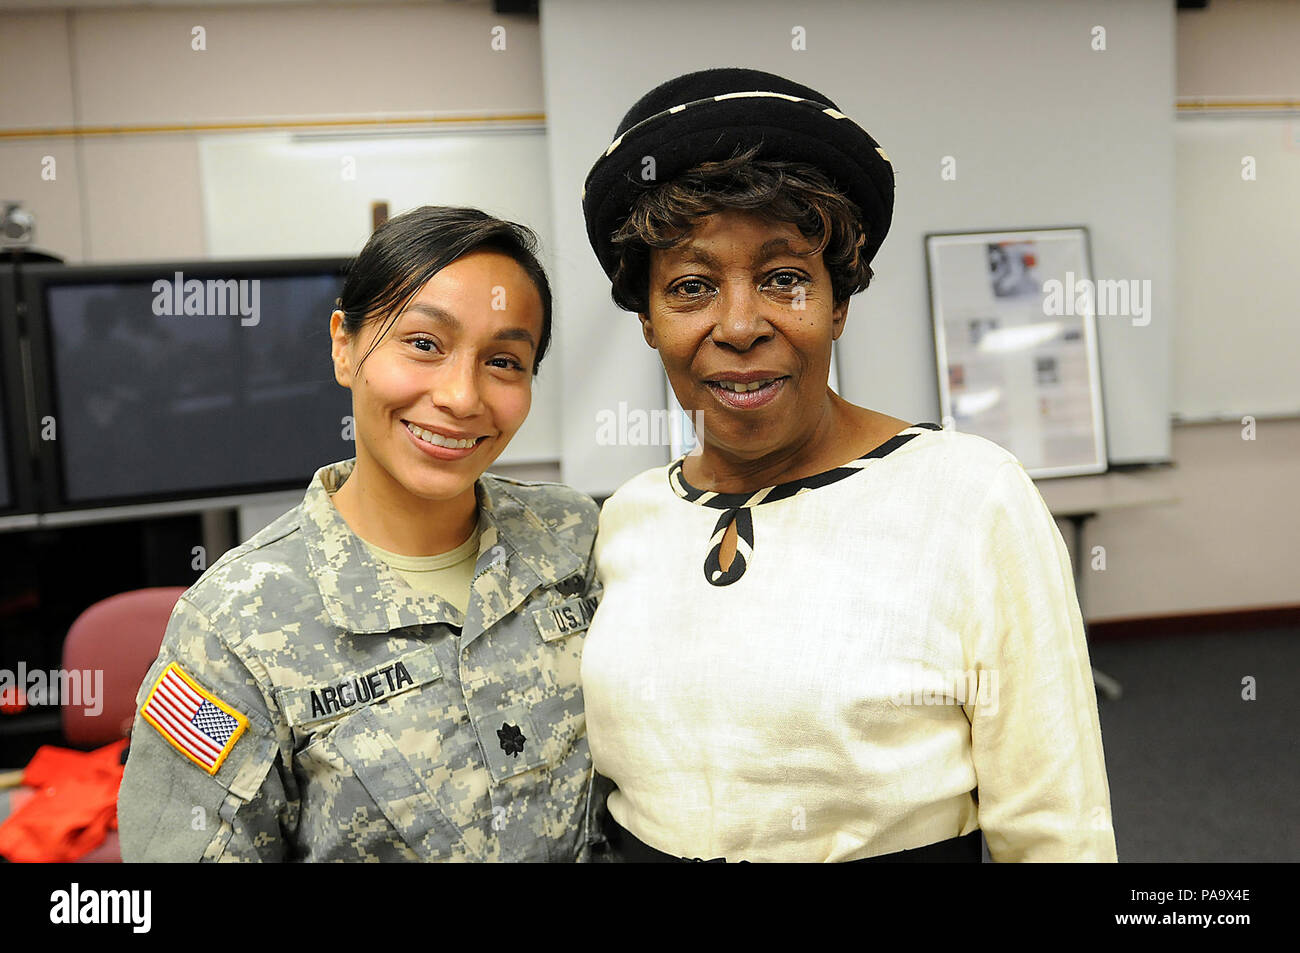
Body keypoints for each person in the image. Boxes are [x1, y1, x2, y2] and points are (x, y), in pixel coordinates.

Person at [578, 68, 1118, 862]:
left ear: (840, 302)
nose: (738, 324)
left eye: (783, 278)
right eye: (691, 286)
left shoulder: (968, 499)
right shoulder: (627, 518)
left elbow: (1057, 830)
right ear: (650, 321)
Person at [119, 206, 603, 861]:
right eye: (424, 343)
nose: (462, 396)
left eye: (504, 360)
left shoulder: (573, 540)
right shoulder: (229, 627)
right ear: (344, 345)